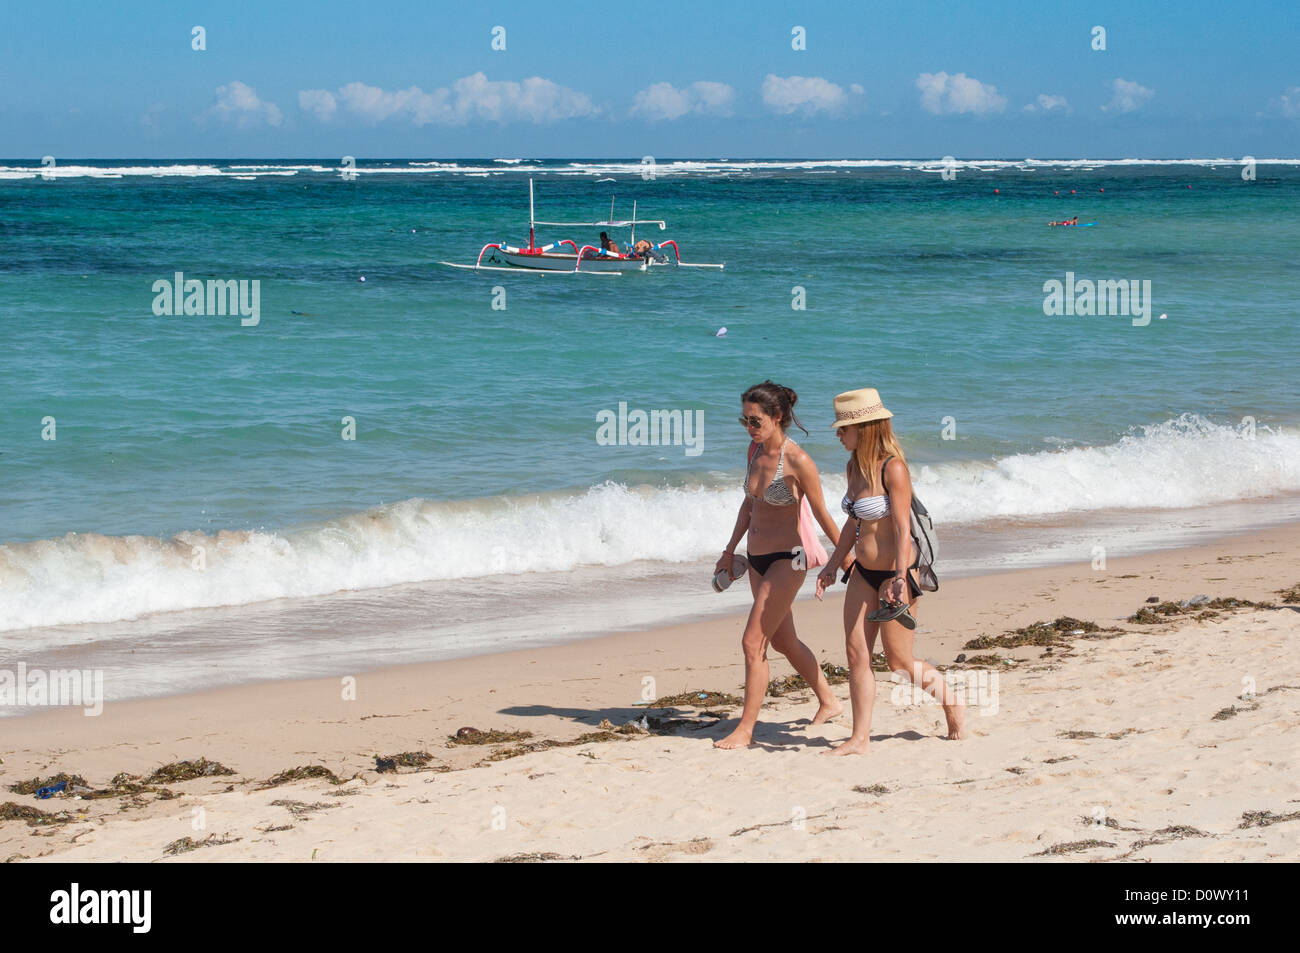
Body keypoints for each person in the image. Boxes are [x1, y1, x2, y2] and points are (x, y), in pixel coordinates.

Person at [815, 388, 966, 754]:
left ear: (864, 428)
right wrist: (833, 565)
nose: (837, 434)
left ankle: (952, 703)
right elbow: (854, 523)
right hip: (864, 574)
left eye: (842, 428)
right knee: (856, 654)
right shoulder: (853, 467)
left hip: (898, 574)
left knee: (898, 662)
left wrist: (900, 579)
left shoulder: (892, 468)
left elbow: (901, 528)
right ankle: (860, 737)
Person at [713, 381, 846, 749]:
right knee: (785, 640)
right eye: (744, 420)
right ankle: (830, 701)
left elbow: (822, 515)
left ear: (777, 417)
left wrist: (842, 558)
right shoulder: (754, 449)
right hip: (756, 559)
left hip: (790, 560)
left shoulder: (799, 461)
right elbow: (749, 505)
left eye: (755, 421)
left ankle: (745, 730)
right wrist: (729, 550)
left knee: (753, 642)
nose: (749, 427)